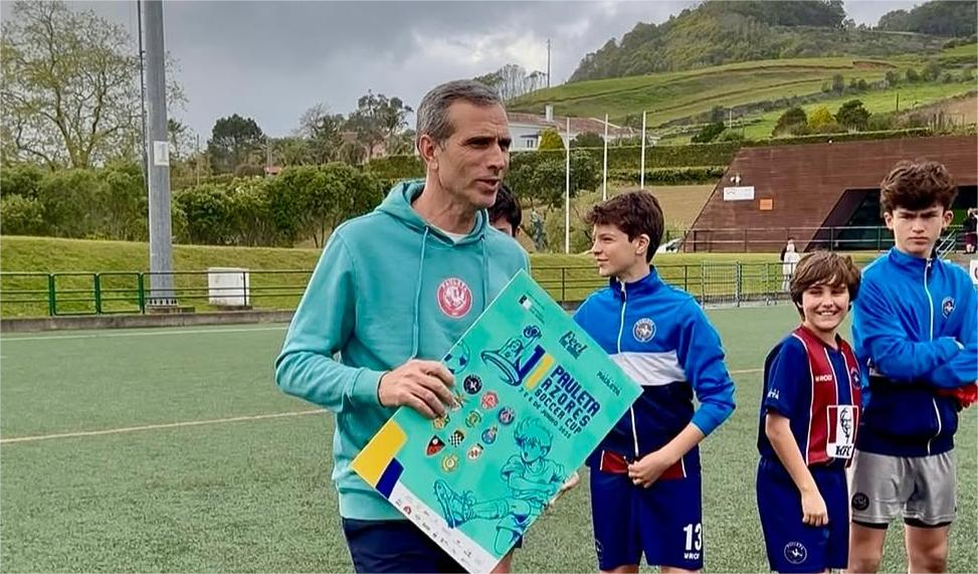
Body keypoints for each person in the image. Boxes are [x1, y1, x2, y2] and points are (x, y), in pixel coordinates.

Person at [274, 79, 531, 574]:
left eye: (503, 144)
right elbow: (294, 364)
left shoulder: (510, 258)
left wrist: (546, 452)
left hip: (481, 493)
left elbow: (514, 376)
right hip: (386, 499)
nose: (497, 159)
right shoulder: (358, 243)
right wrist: (380, 384)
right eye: (478, 143)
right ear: (429, 150)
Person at [572, 191, 737, 574]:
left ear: (640, 244)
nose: (595, 249)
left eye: (606, 239)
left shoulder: (681, 312)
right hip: (610, 472)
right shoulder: (589, 313)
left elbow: (719, 398)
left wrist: (665, 457)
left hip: (672, 472)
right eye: (594, 239)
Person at [848, 160, 978, 574]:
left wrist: (929, 364)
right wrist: (946, 348)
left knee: (933, 558)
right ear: (890, 219)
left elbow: (973, 356)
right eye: (907, 216)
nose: (917, 226)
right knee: (863, 557)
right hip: (878, 438)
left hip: (938, 440)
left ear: (945, 218)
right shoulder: (872, 283)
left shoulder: (958, 283)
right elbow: (892, 360)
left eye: (927, 216)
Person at [756, 251, 862, 574]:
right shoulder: (793, 350)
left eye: (837, 291)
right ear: (799, 299)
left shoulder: (845, 354)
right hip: (792, 481)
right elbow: (776, 428)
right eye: (816, 292)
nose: (827, 302)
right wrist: (807, 490)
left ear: (850, 298)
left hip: (831, 478)